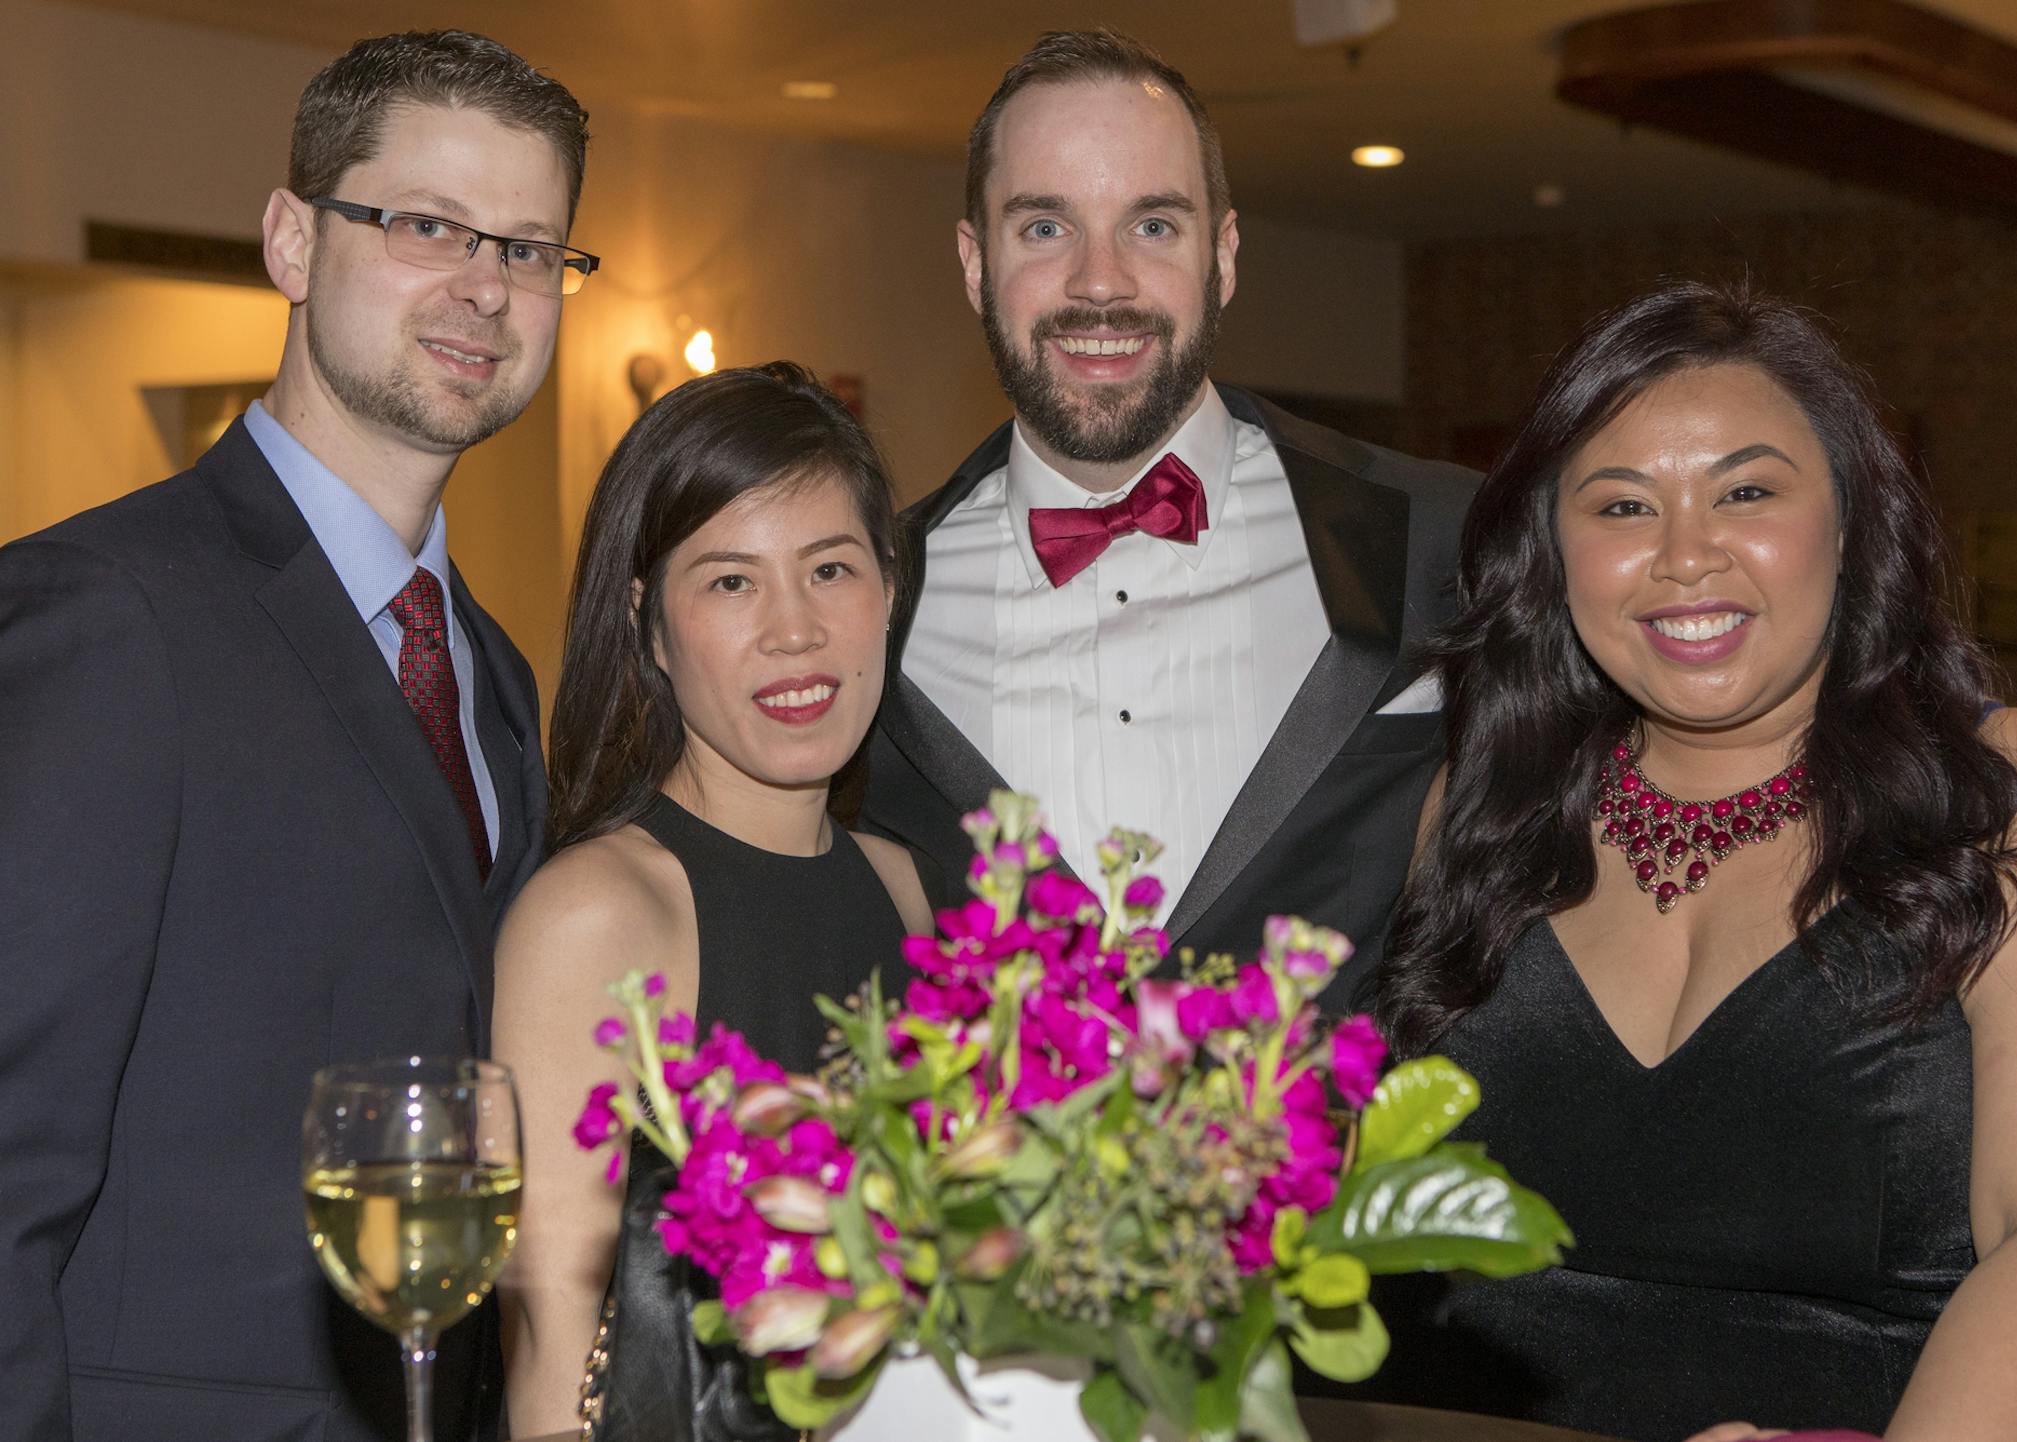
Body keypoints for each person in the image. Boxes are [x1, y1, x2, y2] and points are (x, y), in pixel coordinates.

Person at [1368, 281, 2017, 1441]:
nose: (1687, 555)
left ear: (1849, 523)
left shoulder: (2012, 793)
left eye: (1746, 491)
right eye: (1623, 505)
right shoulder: (1482, 801)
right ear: (1554, 549)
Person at [0, 32, 592, 1442]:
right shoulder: (107, 616)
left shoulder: (496, 670)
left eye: (529, 248)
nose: (483, 286)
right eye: (423, 224)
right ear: (289, 239)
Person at [859, 29, 1478, 985]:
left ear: (1222, 255)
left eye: (1152, 225)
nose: (1100, 283)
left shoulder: (1445, 536)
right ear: (976, 264)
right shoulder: (867, 607)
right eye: (1045, 228)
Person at [491, 364, 932, 1439]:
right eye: (731, 581)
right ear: (648, 627)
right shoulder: (599, 912)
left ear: (888, 588)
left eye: (830, 568)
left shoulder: (902, 885)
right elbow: (559, 1365)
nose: (796, 630)